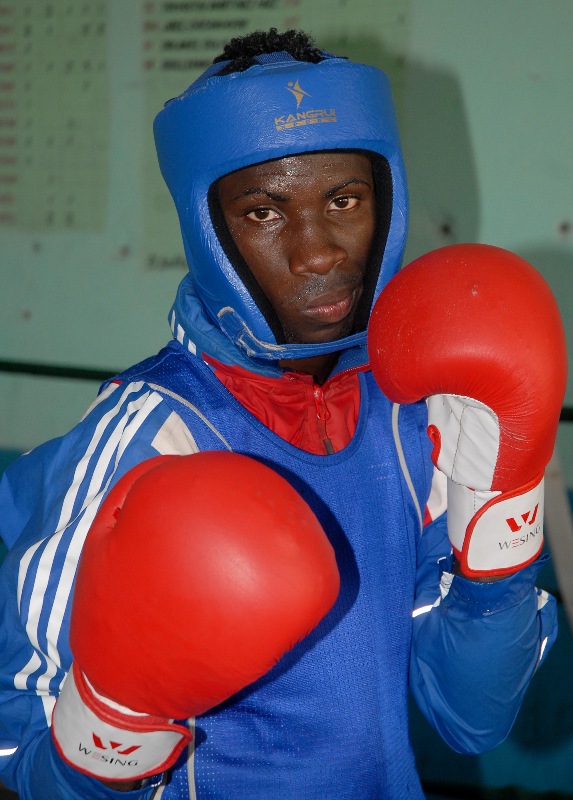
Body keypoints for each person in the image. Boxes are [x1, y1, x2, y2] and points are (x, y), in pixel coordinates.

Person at [0, 28, 564, 800]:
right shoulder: (146, 435)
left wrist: (501, 530)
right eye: (264, 212)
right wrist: (112, 735)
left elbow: (473, 717)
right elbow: (17, 754)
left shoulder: (414, 416)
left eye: (344, 200)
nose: (318, 253)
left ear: (387, 202)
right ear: (209, 233)